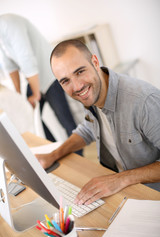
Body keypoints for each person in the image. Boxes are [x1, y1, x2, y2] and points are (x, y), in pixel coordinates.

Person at [36, 39, 160, 205]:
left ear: (95, 61)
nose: (77, 87)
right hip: (121, 190)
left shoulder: (144, 101)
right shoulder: (94, 94)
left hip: (150, 196)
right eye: (66, 81)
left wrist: (120, 179)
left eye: (80, 72)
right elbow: (87, 130)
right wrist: (53, 156)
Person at [0, 14, 77, 141]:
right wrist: (19, 94)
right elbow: (10, 66)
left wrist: (36, 94)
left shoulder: (10, 24)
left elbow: (27, 59)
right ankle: (51, 149)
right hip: (34, 78)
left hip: (49, 75)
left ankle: (78, 154)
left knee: (64, 119)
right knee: (35, 120)